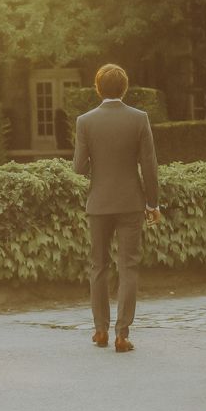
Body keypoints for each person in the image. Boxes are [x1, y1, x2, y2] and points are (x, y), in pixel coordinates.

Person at [72, 64, 161, 352]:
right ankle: (122, 334)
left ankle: (100, 331)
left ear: (97, 88)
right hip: (131, 203)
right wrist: (152, 203)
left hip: (98, 203)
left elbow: (78, 168)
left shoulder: (85, 121)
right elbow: (149, 165)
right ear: (125, 88)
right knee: (128, 266)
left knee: (98, 266)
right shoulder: (139, 119)